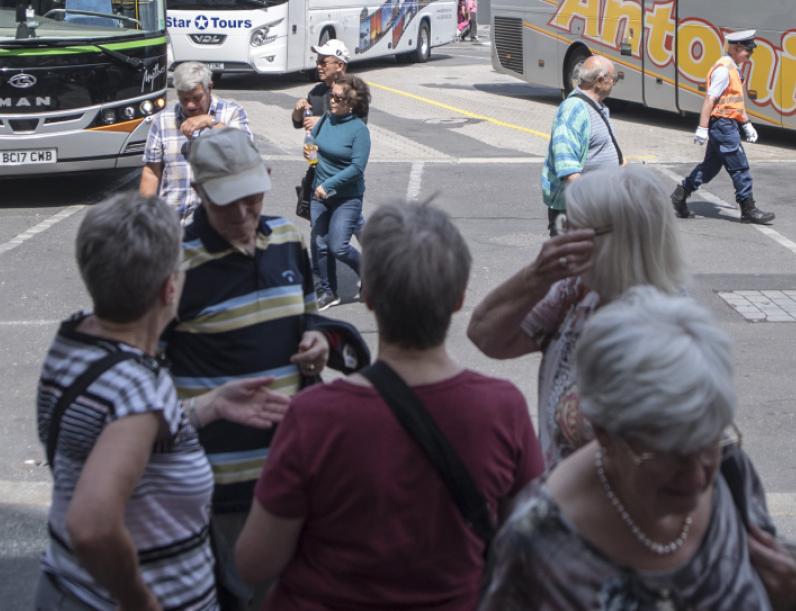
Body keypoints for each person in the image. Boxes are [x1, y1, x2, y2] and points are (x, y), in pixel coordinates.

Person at [235, 200, 545, 611]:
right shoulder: (502, 409)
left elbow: (255, 562)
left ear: (367, 295)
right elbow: (530, 545)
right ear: (459, 299)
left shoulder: (315, 415)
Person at [478, 286, 796, 611]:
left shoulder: (732, 472)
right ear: (605, 433)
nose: (698, 474)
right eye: (669, 452)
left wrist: (792, 596)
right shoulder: (535, 544)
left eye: (707, 441)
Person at [36, 193, 289, 611]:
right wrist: (141, 602)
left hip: (64, 585)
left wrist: (206, 407)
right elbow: (91, 527)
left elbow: (109, 428)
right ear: (169, 288)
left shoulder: (74, 340)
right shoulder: (140, 387)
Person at [165, 128, 333, 610]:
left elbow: (307, 316)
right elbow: (146, 378)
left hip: (294, 470)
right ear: (198, 194)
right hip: (222, 487)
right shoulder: (176, 265)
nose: (242, 214)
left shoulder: (285, 238)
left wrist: (319, 338)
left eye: (251, 198)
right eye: (226, 204)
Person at [469, 165, 687, 472]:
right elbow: (484, 335)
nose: (563, 236)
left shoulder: (671, 331)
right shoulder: (580, 288)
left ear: (616, 242)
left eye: (573, 229)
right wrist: (534, 278)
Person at [671, 29, 775, 225]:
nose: (749, 55)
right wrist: (702, 127)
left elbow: (735, 102)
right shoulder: (724, 70)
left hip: (727, 124)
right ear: (736, 49)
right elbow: (710, 98)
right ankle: (748, 209)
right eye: (747, 51)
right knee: (740, 167)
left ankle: (680, 195)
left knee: (709, 169)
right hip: (723, 127)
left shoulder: (733, 68)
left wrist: (746, 123)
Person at [140, 61, 252, 225]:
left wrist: (210, 122)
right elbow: (151, 173)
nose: (190, 105)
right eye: (184, 99)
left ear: (209, 88)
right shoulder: (163, 121)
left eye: (197, 98)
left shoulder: (231, 113)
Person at [541, 54, 625, 236]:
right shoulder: (573, 109)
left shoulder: (598, 106)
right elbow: (566, 163)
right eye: (613, 78)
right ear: (599, 81)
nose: (615, 83)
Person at [308, 74, 371, 308]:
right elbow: (314, 142)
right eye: (331, 96)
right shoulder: (326, 119)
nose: (331, 101)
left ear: (351, 104)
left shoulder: (359, 131)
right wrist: (309, 153)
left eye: (338, 98)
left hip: (346, 197)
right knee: (320, 244)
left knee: (338, 246)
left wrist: (329, 185)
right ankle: (328, 291)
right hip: (319, 194)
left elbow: (357, 167)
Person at [291, 40, 363, 133]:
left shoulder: (353, 91)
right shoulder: (316, 93)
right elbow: (297, 123)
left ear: (340, 66)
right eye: (318, 62)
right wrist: (299, 109)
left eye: (324, 63)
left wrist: (322, 122)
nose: (319, 67)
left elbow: (358, 125)